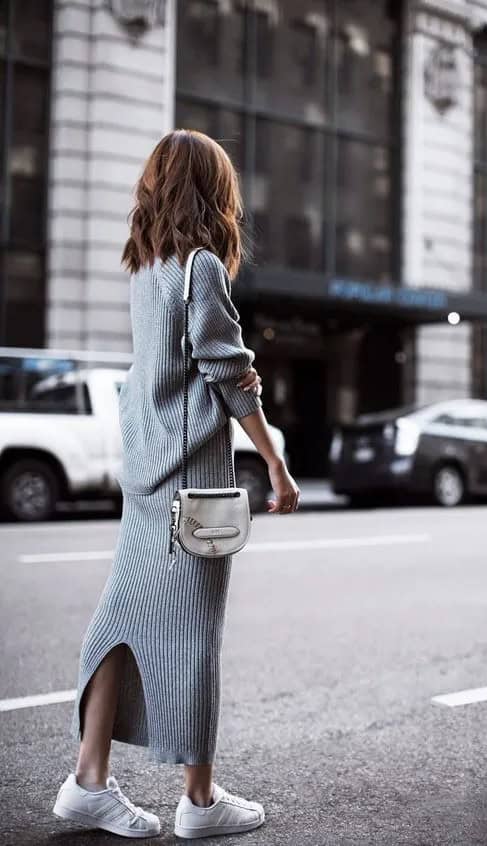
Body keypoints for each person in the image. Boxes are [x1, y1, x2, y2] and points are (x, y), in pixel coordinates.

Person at [52, 128, 300, 839]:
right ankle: (199, 799)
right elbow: (229, 374)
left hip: (145, 480)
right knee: (193, 634)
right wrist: (276, 466)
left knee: (121, 625)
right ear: (213, 192)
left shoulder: (145, 266)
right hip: (192, 485)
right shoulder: (200, 267)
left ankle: (88, 781)